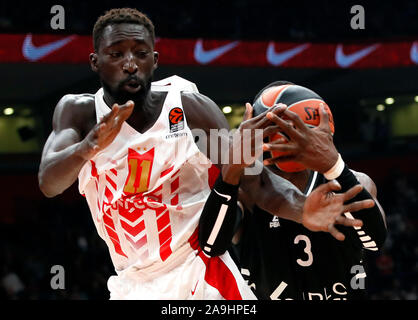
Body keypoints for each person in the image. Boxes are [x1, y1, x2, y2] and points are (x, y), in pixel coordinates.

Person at [38, 8, 373, 300]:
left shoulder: (189, 110)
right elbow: (49, 183)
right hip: (131, 281)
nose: (130, 65)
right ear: (95, 62)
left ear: (154, 60)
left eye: (140, 53)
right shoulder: (78, 114)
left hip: (201, 273)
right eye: (116, 54)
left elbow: (254, 181)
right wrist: (89, 147)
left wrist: (302, 210)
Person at [199, 81, 387, 300]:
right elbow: (211, 247)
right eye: (279, 130)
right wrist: (230, 172)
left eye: (294, 128)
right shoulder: (246, 187)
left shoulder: (353, 181)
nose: (286, 137)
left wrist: (335, 166)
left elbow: (375, 242)